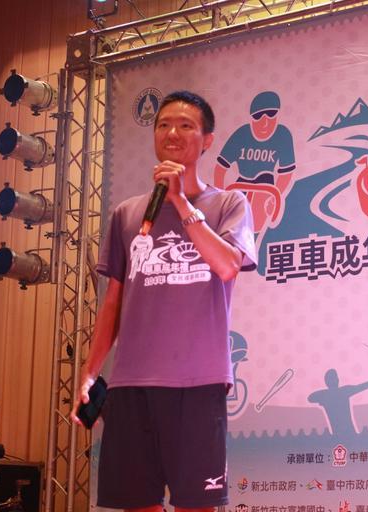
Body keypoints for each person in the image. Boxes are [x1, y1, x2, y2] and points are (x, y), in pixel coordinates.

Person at [72, 90, 257, 512]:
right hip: (131, 385)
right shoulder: (127, 214)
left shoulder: (228, 204)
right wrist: (90, 372)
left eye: (186, 125)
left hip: (197, 383)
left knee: (196, 504)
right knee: (137, 503)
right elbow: (113, 302)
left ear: (207, 140)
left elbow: (228, 266)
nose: (172, 133)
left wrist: (180, 202)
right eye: (163, 125)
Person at [213, 91, 296, 234]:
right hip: (241, 183)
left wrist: (273, 197)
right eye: (258, 116)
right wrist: (222, 197)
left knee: (256, 224)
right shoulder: (242, 134)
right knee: (234, 225)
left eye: (271, 115)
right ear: (252, 119)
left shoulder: (282, 134)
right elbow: (220, 169)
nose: (265, 122)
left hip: (266, 184)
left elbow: (286, 173)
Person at [307, 368, 368, 437]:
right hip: (346, 435)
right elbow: (310, 398)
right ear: (335, 380)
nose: (336, 380)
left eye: (335, 378)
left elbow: (311, 398)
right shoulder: (343, 391)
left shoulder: (326, 395)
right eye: (333, 378)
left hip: (343, 434)